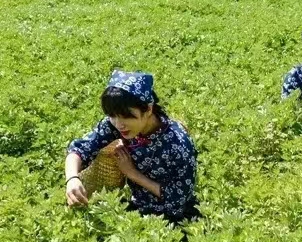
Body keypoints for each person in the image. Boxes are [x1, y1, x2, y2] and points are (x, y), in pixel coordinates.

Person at [65, 70, 200, 224]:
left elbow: (179, 197)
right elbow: (79, 148)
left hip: (172, 215)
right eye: (112, 115)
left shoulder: (178, 144)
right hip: (137, 207)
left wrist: (132, 173)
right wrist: (72, 179)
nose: (119, 124)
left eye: (127, 116)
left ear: (148, 109)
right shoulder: (116, 123)